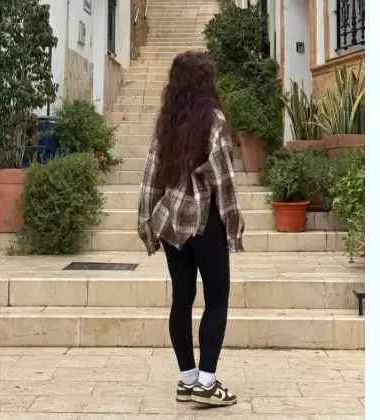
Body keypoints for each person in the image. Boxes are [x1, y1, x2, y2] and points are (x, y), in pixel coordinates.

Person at [138, 51, 245, 407]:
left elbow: (151, 176)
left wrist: (147, 221)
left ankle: (187, 379)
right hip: (205, 222)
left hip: (171, 223)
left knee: (181, 299)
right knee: (217, 299)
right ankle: (207, 382)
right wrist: (233, 223)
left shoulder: (166, 122)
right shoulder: (214, 120)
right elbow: (223, 179)